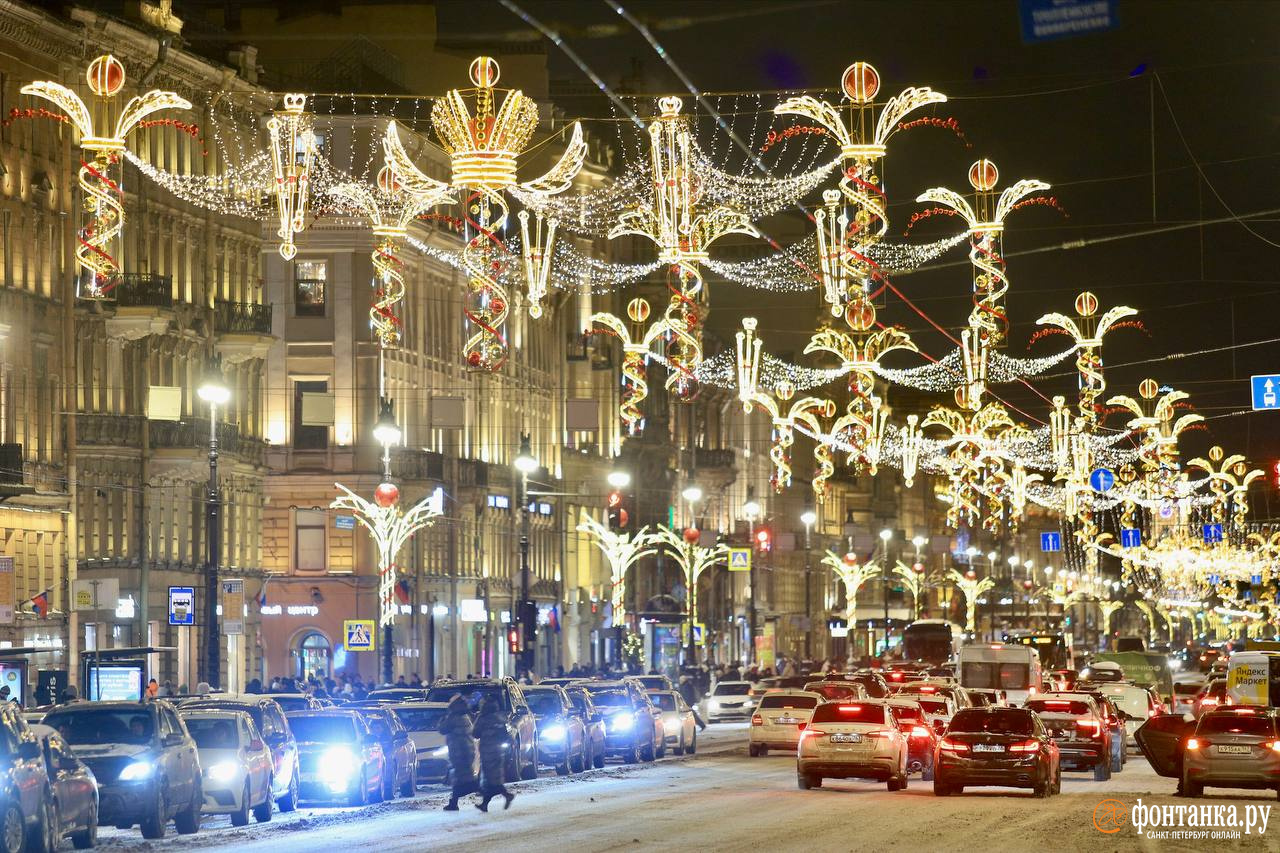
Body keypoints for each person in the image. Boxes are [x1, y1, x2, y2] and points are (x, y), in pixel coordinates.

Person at [473, 696, 514, 811]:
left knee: (491, 779)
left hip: (487, 751)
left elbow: (475, 733)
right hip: (498, 751)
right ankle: (485, 804)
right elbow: (506, 735)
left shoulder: (483, 718)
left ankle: (506, 795)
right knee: (493, 778)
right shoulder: (499, 718)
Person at [438, 696, 478, 811]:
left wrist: (442, 718)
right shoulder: (465, 717)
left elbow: (442, 729)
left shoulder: (453, 718)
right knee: (461, 778)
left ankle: (455, 802)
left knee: (460, 779)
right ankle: (454, 802)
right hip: (466, 751)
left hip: (458, 752)